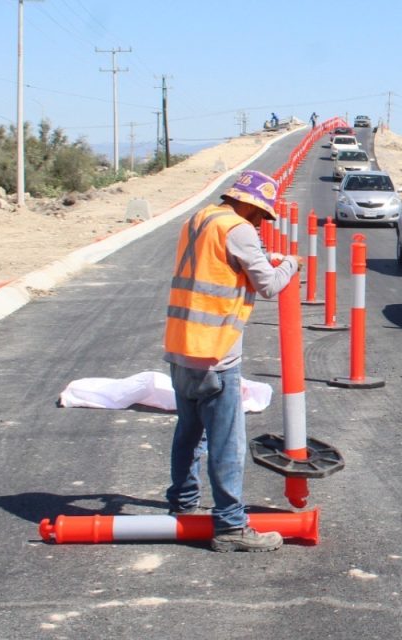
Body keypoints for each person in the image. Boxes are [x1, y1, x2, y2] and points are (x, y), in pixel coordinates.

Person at [163, 169, 301, 552]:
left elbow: (220, 265)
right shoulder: (238, 229)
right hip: (216, 353)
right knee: (227, 443)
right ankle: (230, 526)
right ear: (249, 205)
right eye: (261, 215)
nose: (261, 223)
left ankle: (183, 503)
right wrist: (291, 263)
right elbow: (269, 284)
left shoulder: (200, 219)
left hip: (182, 345)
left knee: (189, 433)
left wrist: (262, 258)